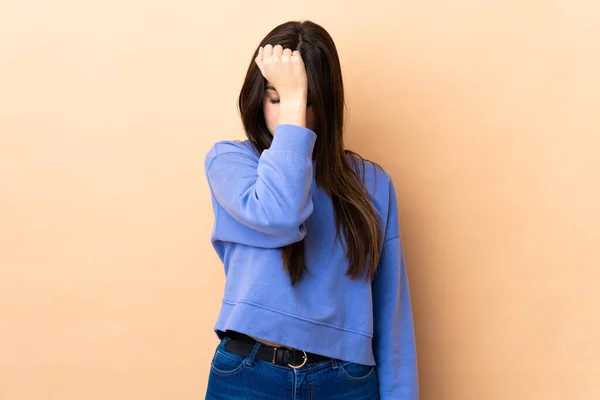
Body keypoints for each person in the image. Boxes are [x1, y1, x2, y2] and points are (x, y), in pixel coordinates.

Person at [203, 20, 418, 400]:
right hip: (247, 378)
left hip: (345, 384)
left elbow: (392, 314)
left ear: (327, 104)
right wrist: (295, 100)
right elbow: (280, 213)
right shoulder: (231, 162)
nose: (292, 112)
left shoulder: (372, 183)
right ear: (257, 98)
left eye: (305, 101)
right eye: (278, 98)